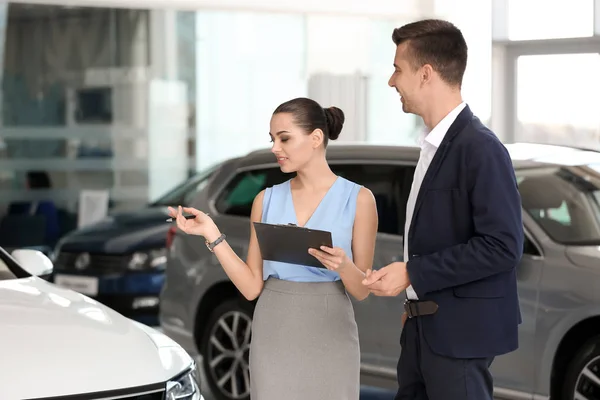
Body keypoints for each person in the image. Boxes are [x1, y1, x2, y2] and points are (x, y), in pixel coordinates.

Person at [168, 97, 378, 400]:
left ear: (316, 138)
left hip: (331, 333)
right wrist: (211, 233)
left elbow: (362, 291)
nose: (274, 148)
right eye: (272, 139)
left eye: (284, 138)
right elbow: (252, 287)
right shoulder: (264, 200)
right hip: (273, 332)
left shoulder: (360, 200)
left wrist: (343, 265)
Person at [362, 19, 523, 400]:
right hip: (423, 329)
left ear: (426, 74)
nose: (391, 81)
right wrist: (415, 303)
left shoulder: (481, 148)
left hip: (459, 340)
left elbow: (502, 246)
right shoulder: (432, 147)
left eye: (398, 69)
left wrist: (412, 273)